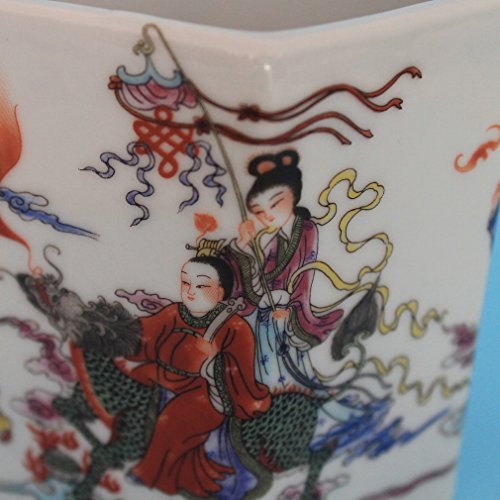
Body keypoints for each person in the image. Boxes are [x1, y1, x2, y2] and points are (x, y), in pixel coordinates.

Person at [116, 255, 271, 498]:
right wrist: (117, 330)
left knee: (173, 419)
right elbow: (145, 335)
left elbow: (241, 378)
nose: (190, 291)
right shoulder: (174, 313)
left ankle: (151, 474)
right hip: (167, 377)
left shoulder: (236, 328)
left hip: (210, 392)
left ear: (220, 293)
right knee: (128, 380)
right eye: (185, 283)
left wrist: (212, 363)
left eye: (201, 285)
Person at [223, 149, 344, 390]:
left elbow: (304, 275)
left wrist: (291, 305)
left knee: (288, 363)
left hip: (288, 310)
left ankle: (289, 391)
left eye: (275, 203)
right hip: (267, 309)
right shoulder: (271, 239)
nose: (267, 215)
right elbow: (255, 281)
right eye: (259, 211)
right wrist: (242, 246)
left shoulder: (307, 231)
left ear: (293, 196)